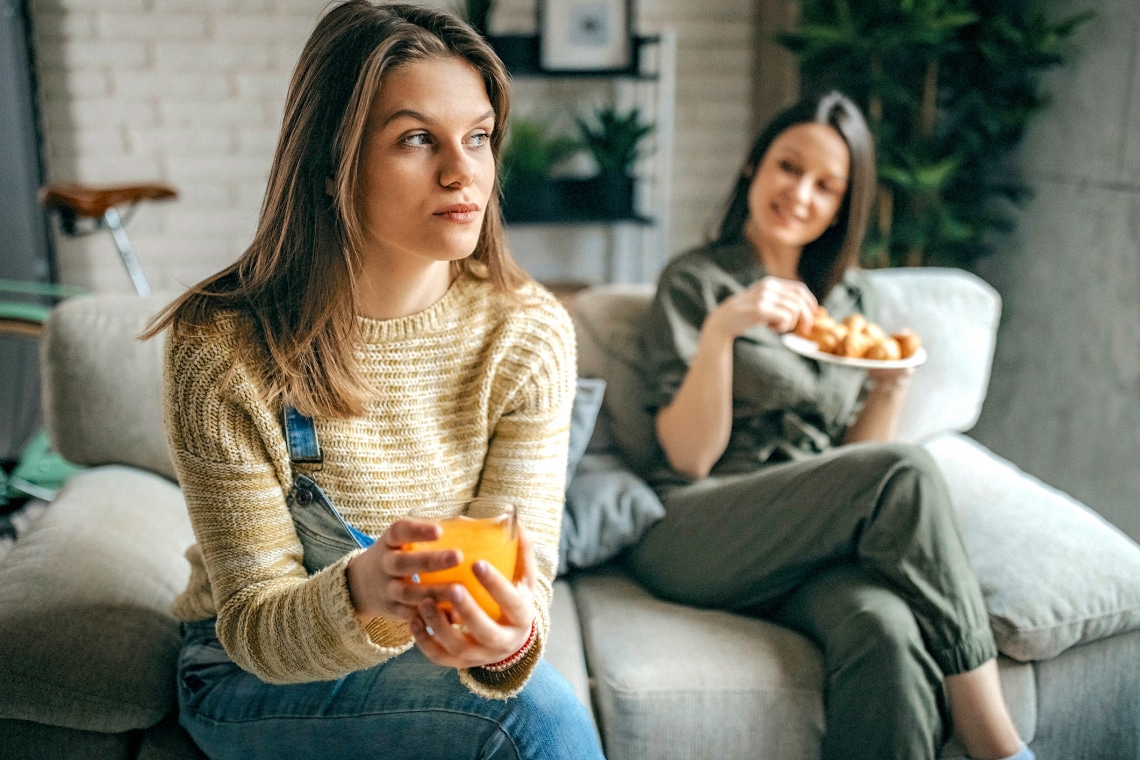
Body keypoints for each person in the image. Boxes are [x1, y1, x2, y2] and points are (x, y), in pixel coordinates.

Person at [141, 3, 605, 759]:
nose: (463, 172)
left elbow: (526, 573)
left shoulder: (529, 333)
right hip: (243, 675)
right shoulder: (223, 346)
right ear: (333, 162)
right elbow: (254, 622)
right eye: (418, 139)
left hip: (423, 662)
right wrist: (365, 591)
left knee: (526, 701)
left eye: (479, 137)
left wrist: (508, 637)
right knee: (533, 722)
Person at [627, 91, 1033, 760]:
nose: (801, 194)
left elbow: (856, 468)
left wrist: (889, 386)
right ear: (754, 167)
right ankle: (1000, 745)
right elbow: (689, 457)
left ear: (844, 205)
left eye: (827, 186)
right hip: (698, 524)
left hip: (808, 537)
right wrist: (725, 329)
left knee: (887, 630)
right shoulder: (696, 281)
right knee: (906, 469)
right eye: (789, 168)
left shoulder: (854, 302)